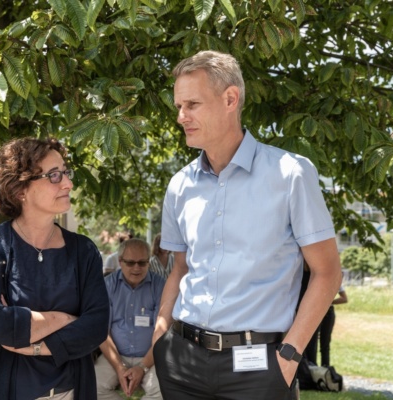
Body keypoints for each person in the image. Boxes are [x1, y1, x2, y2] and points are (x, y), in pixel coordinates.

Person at [152, 50, 343, 400]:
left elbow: (328, 272)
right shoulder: (180, 185)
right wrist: (159, 340)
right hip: (181, 364)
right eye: (178, 106)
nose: (181, 116)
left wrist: (289, 356)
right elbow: (179, 269)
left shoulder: (290, 174)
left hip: (259, 369)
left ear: (230, 99)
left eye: (192, 104)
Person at [0, 137, 109, 399]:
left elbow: (96, 327)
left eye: (65, 172)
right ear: (20, 190)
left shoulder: (83, 251)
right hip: (3, 390)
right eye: (54, 175)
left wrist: (34, 346)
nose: (68, 183)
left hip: (69, 390)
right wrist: (63, 319)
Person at [95, 238, 165, 400]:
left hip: (151, 356)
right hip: (114, 355)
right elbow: (101, 332)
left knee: (163, 391)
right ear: (120, 261)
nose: (136, 268)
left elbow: (162, 334)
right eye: (130, 262)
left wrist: (143, 367)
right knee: (93, 386)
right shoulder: (107, 285)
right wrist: (119, 367)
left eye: (142, 263)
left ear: (149, 262)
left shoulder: (160, 286)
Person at [305, 283, 348, 367]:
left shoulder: (334, 280)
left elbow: (344, 299)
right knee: (312, 343)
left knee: (325, 343)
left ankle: (325, 369)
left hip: (328, 311)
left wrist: (328, 301)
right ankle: (312, 368)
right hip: (315, 311)